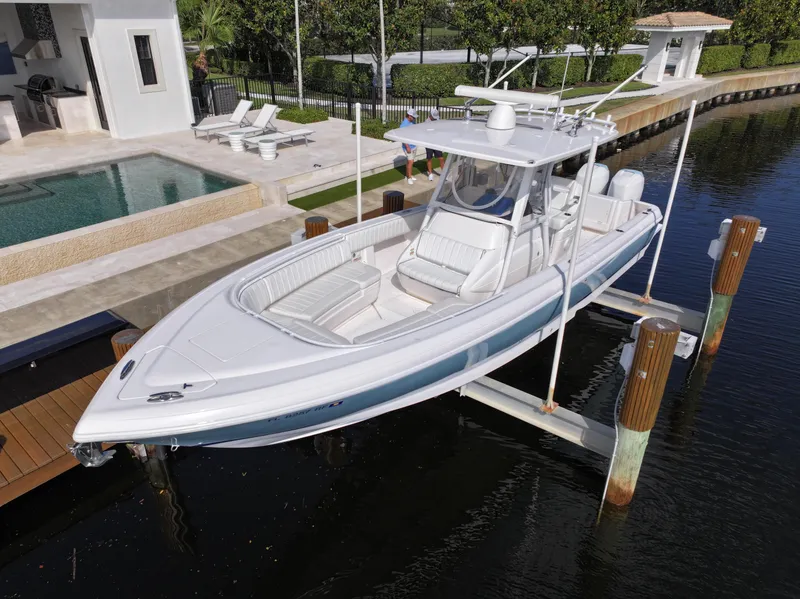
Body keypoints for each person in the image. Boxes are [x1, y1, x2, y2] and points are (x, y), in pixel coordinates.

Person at [425, 108, 445, 181]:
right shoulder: (426, 122)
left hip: (436, 143)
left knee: (441, 158)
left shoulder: (437, 120)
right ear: (431, 115)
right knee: (429, 158)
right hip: (429, 143)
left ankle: (443, 173)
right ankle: (430, 174)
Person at [399, 109, 418, 185]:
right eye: (413, 117)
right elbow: (402, 137)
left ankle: (409, 175)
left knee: (411, 161)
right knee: (410, 162)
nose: (414, 119)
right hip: (408, 147)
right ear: (409, 116)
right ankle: (409, 178)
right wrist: (407, 147)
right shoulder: (403, 125)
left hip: (414, 145)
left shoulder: (412, 122)